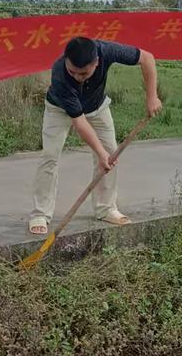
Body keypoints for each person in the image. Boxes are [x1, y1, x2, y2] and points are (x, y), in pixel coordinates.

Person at [29, 37, 162, 235]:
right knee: (50, 156)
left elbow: (147, 58)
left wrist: (151, 96)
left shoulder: (107, 51)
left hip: (97, 107)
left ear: (97, 62)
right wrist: (100, 154)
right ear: (66, 60)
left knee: (111, 153)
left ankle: (106, 208)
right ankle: (41, 213)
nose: (77, 77)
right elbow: (80, 122)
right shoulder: (59, 75)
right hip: (59, 109)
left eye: (83, 73)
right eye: (72, 71)